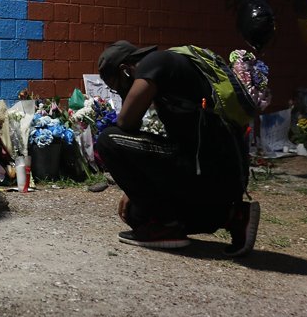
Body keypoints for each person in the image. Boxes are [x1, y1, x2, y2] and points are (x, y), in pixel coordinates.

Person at [95, 40, 259, 255]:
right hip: (221, 178)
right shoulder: (175, 69)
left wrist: (134, 185)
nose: (118, 93)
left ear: (125, 70)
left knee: (109, 140)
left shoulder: (155, 62)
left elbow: (126, 123)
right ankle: (235, 216)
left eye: (115, 86)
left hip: (207, 170)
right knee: (137, 214)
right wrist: (135, 190)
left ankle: (166, 227)